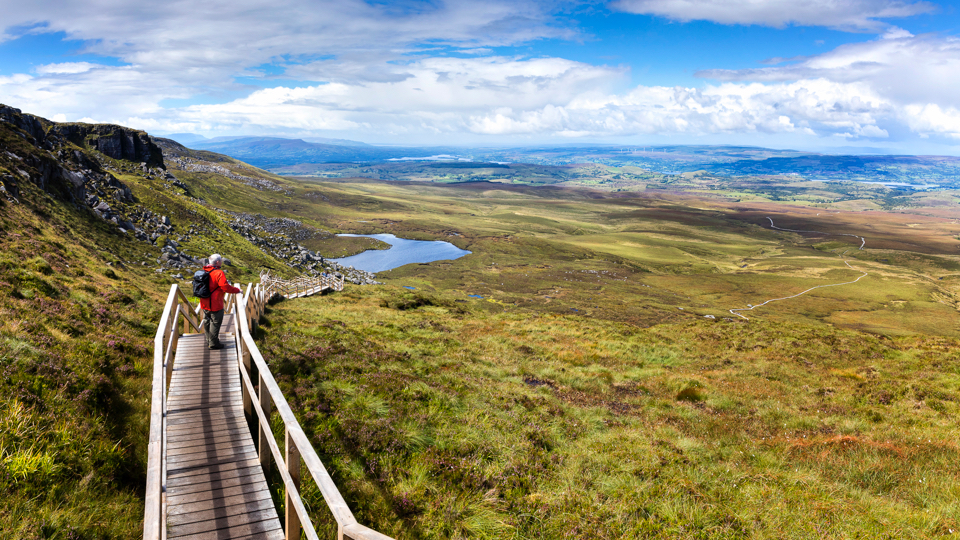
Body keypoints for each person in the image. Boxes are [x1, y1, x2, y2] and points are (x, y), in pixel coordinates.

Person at [200, 254, 241, 350]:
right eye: (221, 261)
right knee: (215, 322)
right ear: (217, 262)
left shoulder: (203, 271)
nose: (221, 262)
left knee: (207, 321)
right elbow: (225, 287)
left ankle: (208, 340)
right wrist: (237, 290)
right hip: (215, 303)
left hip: (204, 302)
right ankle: (213, 343)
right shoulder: (219, 273)